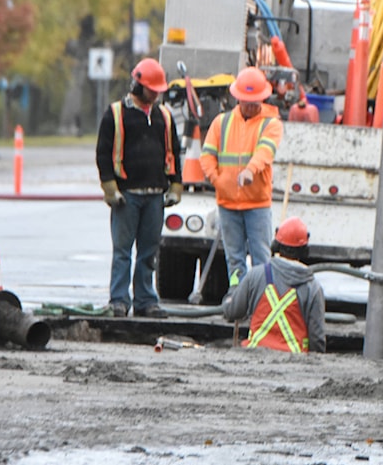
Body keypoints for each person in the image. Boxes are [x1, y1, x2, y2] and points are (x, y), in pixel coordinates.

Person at [96, 57, 182, 319]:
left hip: (155, 195)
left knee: (148, 251)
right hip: (127, 195)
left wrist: (176, 185)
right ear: (138, 85)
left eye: (158, 90)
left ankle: (145, 300)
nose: (156, 94)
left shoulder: (163, 116)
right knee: (122, 251)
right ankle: (119, 300)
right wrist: (110, 188)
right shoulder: (116, 113)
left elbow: (174, 152)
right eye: (152, 89)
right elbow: (103, 153)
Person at [200, 67, 283, 295]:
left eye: (255, 101)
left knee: (261, 258)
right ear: (237, 98)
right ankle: (237, 297)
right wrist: (217, 180)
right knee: (234, 258)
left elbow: (265, 152)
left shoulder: (270, 124)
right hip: (228, 203)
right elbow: (207, 155)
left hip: (257, 204)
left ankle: (262, 301)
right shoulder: (222, 123)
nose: (250, 106)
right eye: (246, 101)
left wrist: (250, 171)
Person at [223, 216, 326, 352]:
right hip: (295, 362)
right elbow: (317, 339)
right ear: (305, 249)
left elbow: (232, 312)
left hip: (254, 356)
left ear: (276, 245)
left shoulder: (256, 275)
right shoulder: (313, 287)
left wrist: (231, 295)